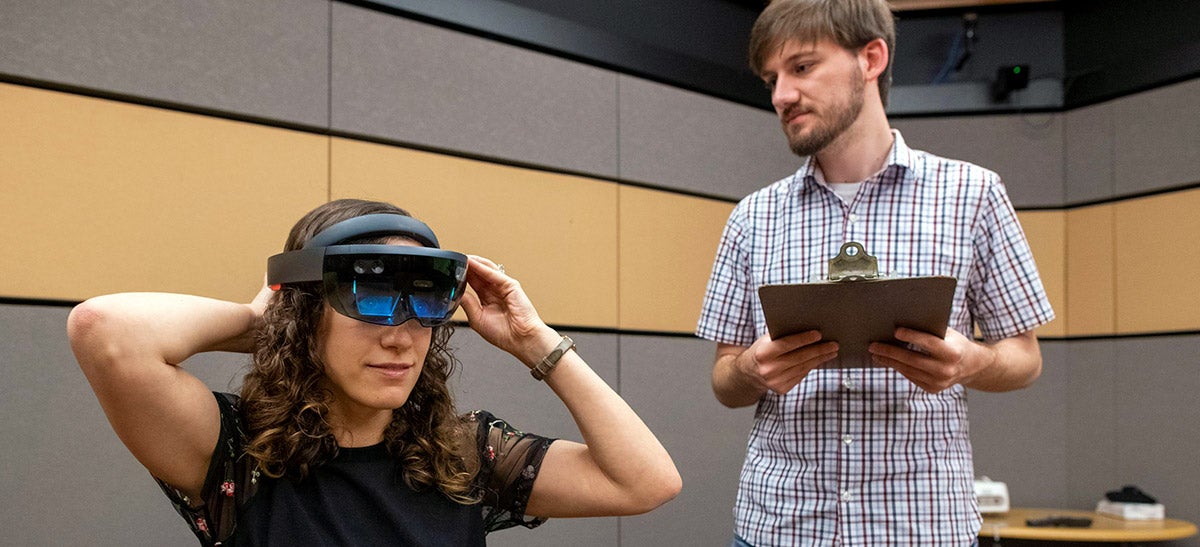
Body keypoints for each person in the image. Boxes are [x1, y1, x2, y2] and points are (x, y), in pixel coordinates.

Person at [68, 198, 681, 546]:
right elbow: (106, 331)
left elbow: (645, 482)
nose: (400, 336)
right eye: (368, 299)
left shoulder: (463, 457)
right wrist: (275, 320)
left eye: (422, 305)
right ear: (306, 308)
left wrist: (533, 342)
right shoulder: (236, 457)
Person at [696, 1, 1055, 545]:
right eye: (771, 79)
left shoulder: (973, 195)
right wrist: (750, 369)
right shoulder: (752, 217)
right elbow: (724, 377)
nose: (779, 96)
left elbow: (1024, 359)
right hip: (778, 527)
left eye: (801, 67)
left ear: (872, 57)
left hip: (921, 526)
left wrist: (971, 362)